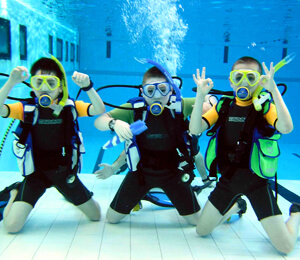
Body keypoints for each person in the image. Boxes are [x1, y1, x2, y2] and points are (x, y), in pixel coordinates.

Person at [189, 56, 300, 254]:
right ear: (231, 81)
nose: (244, 83)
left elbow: (286, 127)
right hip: (227, 182)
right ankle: (236, 206)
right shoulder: (223, 106)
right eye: (238, 77)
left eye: (251, 77)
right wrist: (200, 97)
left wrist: (273, 90)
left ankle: (297, 215)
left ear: (259, 81)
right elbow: (195, 128)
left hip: (256, 183)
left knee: (285, 247)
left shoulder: (265, 106)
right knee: (202, 230)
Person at [0, 57, 105, 233]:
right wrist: (11, 82)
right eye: (38, 82)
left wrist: (88, 87)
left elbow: (99, 109)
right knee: (11, 226)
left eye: (51, 82)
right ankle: (14, 192)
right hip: (36, 175)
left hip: (63, 173)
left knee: (95, 215)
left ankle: (67, 193)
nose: (44, 88)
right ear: (32, 85)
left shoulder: (69, 108)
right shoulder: (26, 109)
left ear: (60, 87)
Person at [94, 63, 202, 225]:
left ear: (171, 90)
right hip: (141, 174)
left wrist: (204, 97)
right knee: (112, 218)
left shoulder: (180, 106)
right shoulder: (134, 109)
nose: (157, 96)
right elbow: (99, 122)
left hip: (173, 172)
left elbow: (209, 104)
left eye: (163, 90)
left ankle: (146, 195)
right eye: (150, 91)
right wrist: (114, 123)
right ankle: (141, 194)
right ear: (142, 91)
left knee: (195, 221)